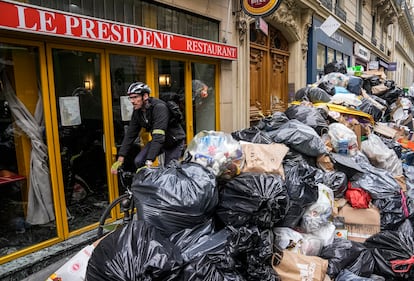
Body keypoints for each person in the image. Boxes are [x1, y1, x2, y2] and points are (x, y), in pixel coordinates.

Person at [111, 82, 186, 174]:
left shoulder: (159, 108)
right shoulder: (138, 112)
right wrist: (120, 158)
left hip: (174, 142)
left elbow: (159, 137)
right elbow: (130, 134)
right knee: (139, 161)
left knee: (169, 172)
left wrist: (149, 161)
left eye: (135, 97)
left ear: (145, 96)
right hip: (158, 141)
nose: (132, 101)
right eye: (130, 97)